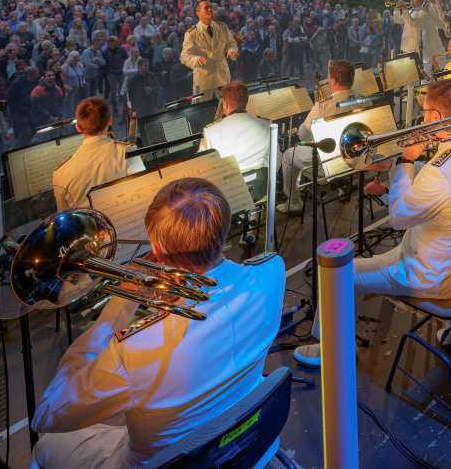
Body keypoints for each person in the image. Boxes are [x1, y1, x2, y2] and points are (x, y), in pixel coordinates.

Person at [31, 178, 285, 468]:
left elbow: (48, 414)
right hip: (242, 441)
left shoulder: (135, 348)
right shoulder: (272, 273)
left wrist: (117, 310)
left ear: (156, 248)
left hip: (159, 463)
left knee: (49, 443)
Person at [293, 79, 451, 367]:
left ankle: (333, 352)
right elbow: (444, 195)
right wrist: (392, 176)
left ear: (437, 117)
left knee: (336, 275)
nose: (421, 119)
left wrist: (404, 161)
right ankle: (333, 336)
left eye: (425, 111)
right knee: (358, 266)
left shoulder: (440, 173)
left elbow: (400, 217)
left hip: (430, 275)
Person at [280, 59, 355, 213]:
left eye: (329, 78)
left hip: (330, 164)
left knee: (288, 155)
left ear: (333, 81)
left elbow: (304, 135)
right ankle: (342, 185)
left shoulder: (324, 104)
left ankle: (293, 202)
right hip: (354, 160)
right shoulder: (361, 99)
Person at [52, 97, 131, 212]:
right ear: (110, 121)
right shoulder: (127, 152)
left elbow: (66, 220)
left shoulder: (60, 174)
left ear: (78, 127)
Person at [200, 81, 270, 173]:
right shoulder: (266, 125)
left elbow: (202, 167)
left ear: (225, 103)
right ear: (246, 100)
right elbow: (275, 162)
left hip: (227, 186)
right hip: (260, 185)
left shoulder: (210, 132)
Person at [179, 0, 239, 101]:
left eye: (211, 7)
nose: (210, 9)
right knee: (201, 111)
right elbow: (184, 56)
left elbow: (231, 43)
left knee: (228, 106)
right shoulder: (191, 33)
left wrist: (231, 50)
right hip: (203, 80)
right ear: (198, 13)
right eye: (206, 8)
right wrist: (195, 59)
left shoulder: (222, 27)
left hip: (222, 76)